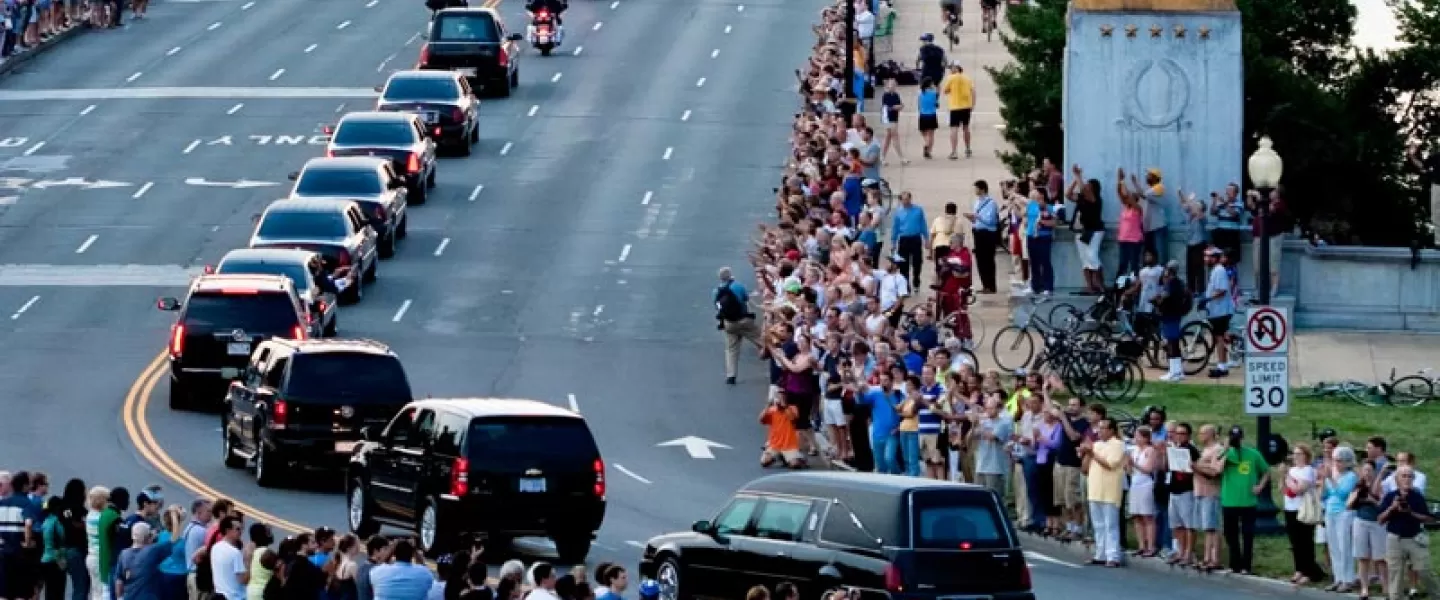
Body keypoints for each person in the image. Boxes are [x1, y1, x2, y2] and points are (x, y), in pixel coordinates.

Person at [1378, 466, 1439, 600]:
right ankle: (1395, 597)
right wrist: (1391, 509)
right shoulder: (1390, 496)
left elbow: (1429, 518)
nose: (1406, 479)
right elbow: (1380, 520)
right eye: (1403, 476)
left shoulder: (1417, 497)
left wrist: (1411, 512)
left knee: (1424, 570)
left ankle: (1436, 594)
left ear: (1413, 479)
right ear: (1397, 479)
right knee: (1395, 573)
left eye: (1409, 476)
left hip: (1414, 537)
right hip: (1395, 539)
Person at [1219, 425, 1268, 575]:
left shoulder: (1253, 454)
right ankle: (1235, 564)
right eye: (1233, 438)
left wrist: (1260, 486)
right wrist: (1226, 449)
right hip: (1229, 500)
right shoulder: (1225, 454)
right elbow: (1218, 469)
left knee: (1248, 534)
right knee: (1230, 533)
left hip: (1248, 501)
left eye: (1238, 438)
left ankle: (1247, 565)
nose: (1236, 440)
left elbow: (1266, 471)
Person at [1083, 418, 1126, 567]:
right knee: (1098, 525)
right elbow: (1084, 469)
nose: (1099, 431)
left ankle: (1113, 556)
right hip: (1094, 489)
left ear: (1112, 430)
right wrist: (1086, 453)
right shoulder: (1096, 444)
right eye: (1099, 428)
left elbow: (1110, 464)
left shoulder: (1118, 444)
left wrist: (1092, 453)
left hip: (1109, 490)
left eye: (1103, 428)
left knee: (1111, 525)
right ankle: (1100, 554)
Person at [1282, 444, 1327, 584]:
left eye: (1299, 453)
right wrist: (1283, 477)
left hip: (1303, 509)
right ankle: (1299, 569)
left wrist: (1287, 477)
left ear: (1306, 456)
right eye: (1294, 453)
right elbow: (1283, 488)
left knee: (1305, 541)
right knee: (1295, 542)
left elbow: (1298, 489)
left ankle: (1311, 571)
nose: (1296, 456)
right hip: (1290, 507)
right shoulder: (1292, 470)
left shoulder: (1308, 471)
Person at [715, 266, 762, 385]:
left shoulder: (717, 291)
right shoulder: (738, 286)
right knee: (760, 340)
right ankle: (776, 358)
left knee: (731, 349)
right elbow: (745, 299)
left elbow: (717, 307)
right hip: (744, 320)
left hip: (729, 323)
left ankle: (731, 375)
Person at [1323, 446, 1360, 592]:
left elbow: (1343, 493)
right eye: (1334, 460)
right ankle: (1338, 578)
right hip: (1330, 511)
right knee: (1333, 546)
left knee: (1344, 546)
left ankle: (1348, 579)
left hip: (1344, 512)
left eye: (1339, 461)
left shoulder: (1350, 476)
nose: (1336, 464)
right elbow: (1327, 494)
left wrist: (1330, 479)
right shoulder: (1333, 474)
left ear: (1347, 462)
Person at [1066, 167, 1105, 294]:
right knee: (1084, 259)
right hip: (1081, 230)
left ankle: (1099, 283)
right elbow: (1068, 194)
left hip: (1095, 231)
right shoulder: (1081, 198)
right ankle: (1089, 285)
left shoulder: (1096, 200)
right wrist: (1075, 180)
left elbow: (1084, 190)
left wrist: (1078, 175)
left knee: (1092, 256)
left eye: (1089, 186)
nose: (1085, 187)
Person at [1200, 247, 1236, 378]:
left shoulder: (1219, 271)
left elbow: (1222, 290)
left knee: (1219, 338)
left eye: (1208, 257)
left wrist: (1207, 299)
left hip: (1221, 310)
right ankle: (1224, 362)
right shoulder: (1216, 270)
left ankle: (1222, 367)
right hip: (1217, 310)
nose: (1205, 259)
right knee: (1220, 337)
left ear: (1214, 258)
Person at [1154, 260, 1190, 381]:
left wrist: (1156, 300)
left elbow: (1164, 296)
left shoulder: (1172, 283)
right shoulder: (1178, 283)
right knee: (1174, 343)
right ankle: (1177, 371)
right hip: (1175, 315)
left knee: (1171, 343)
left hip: (1170, 315)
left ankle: (1174, 372)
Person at [965, 180, 999, 294]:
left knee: (988, 259)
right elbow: (976, 218)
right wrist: (972, 218)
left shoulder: (991, 203)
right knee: (980, 260)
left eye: (977, 188)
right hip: (978, 232)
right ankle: (985, 284)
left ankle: (991, 285)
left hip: (988, 233)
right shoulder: (976, 202)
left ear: (982, 189)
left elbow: (991, 221)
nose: (975, 191)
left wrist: (978, 217)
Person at [939, 63, 974, 159]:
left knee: (954, 129)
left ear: (957, 68)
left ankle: (954, 151)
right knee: (966, 127)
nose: (950, 70)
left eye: (952, 68)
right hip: (966, 106)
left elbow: (945, 91)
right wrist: (972, 104)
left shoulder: (951, 78)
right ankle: (968, 148)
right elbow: (973, 91)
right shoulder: (967, 78)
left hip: (955, 106)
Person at [207, 517, 247, 600]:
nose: (241, 532)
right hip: (235, 597)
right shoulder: (235, 553)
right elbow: (242, 579)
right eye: (237, 529)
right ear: (228, 530)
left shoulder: (215, 548)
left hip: (219, 594)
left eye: (241, 529)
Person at [915, 78, 940, 160]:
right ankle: (929, 150)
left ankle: (926, 143)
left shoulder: (920, 93)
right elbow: (936, 105)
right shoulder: (934, 93)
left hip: (923, 115)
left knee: (924, 133)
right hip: (932, 115)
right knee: (931, 134)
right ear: (929, 84)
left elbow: (919, 106)